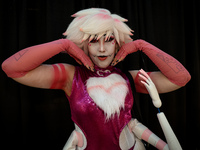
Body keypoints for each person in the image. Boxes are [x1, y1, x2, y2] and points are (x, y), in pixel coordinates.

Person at [2, 8, 191, 150]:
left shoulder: (128, 78)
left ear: (117, 43)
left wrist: (142, 45)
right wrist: (63, 45)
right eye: (93, 41)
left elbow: (181, 78)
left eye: (108, 39)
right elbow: (12, 68)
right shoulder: (71, 76)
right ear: (83, 44)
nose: (102, 49)